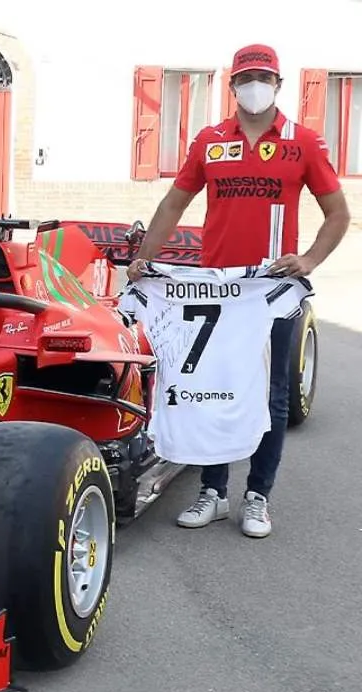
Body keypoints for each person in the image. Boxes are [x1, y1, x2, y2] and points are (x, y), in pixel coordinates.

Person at [127, 44, 350, 538]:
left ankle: (257, 496)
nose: (255, 85)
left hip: (272, 291)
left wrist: (309, 261)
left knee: (271, 398)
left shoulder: (303, 143)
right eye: (246, 77)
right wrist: (145, 256)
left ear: (278, 84)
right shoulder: (209, 141)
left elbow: (339, 215)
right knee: (214, 388)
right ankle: (213, 492)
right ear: (232, 86)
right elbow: (172, 205)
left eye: (263, 77)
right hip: (216, 291)